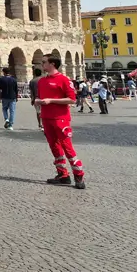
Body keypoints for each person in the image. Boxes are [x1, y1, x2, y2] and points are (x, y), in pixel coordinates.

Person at [37, 54, 85, 189]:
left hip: (60, 118)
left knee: (67, 147)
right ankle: (63, 174)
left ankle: (79, 175)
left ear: (52, 64)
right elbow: (41, 97)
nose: (42, 65)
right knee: (54, 147)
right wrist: (38, 101)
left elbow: (72, 99)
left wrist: (51, 100)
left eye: (44, 62)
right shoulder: (42, 81)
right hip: (46, 117)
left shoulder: (64, 80)